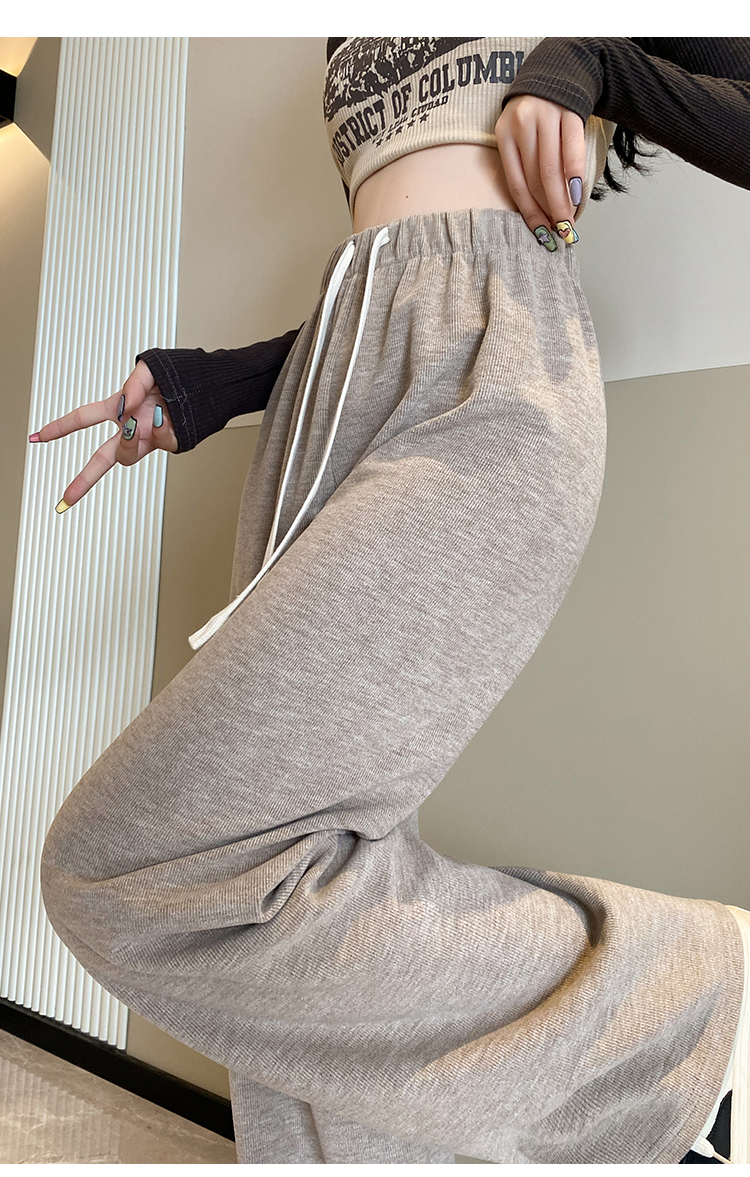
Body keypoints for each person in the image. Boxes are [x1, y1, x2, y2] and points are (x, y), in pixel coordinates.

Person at [32, 38, 750, 1164]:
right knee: (300, 878)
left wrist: (590, 65)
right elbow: (391, 274)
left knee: (126, 868)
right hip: (331, 398)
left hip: (499, 379)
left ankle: (691, 1017)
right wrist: (212, 385)